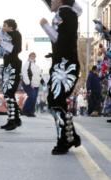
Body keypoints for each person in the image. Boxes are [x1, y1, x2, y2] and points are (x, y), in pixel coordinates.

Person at [40, 0, 82, 154]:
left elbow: (61, 40)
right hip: (62, 64)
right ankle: (69, 137)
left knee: (55, 102)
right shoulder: (67, 13)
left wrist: (45, 26)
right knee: (57, 102)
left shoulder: (65, 13)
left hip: (65, 66)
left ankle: (65, 140)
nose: (49, 2)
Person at [22, 52, 42, 117]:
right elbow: (24, 73)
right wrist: (28, 83)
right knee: (32, 96)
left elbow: (39, 75)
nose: (33, 57)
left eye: (34, 56)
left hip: (36, 84)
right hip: (29, 84)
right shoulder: (27, 64)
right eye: (32, 56)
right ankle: (25, 110)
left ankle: (31, 112)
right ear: (29, 56)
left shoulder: (36, 66)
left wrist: (42, 82)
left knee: (34, 98)